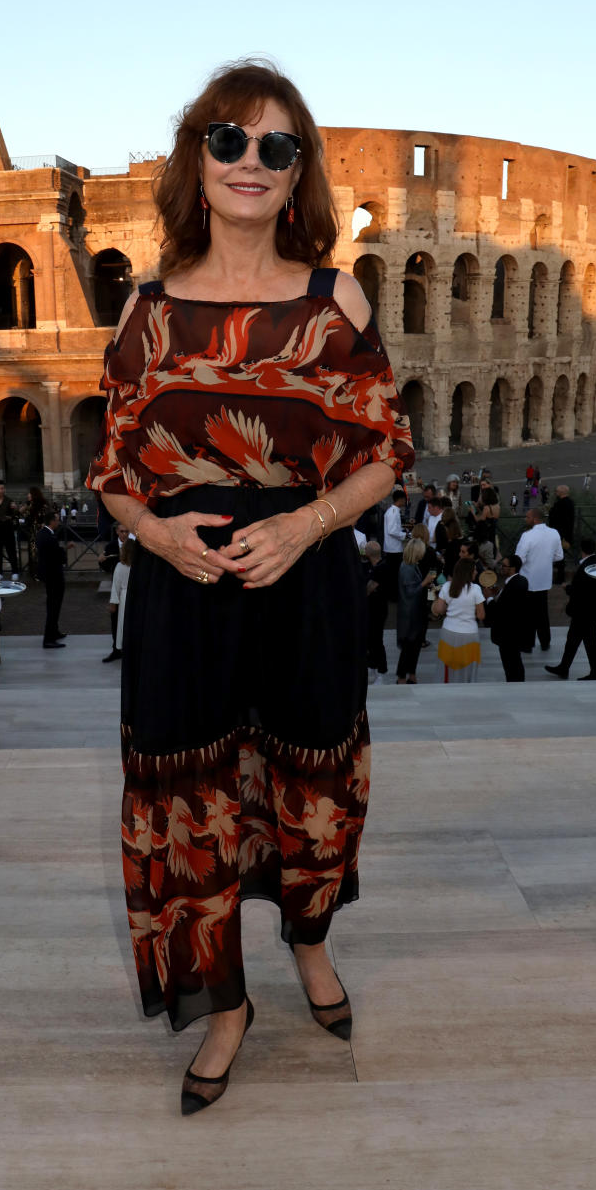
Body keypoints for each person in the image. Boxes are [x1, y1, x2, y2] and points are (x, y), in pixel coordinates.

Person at [85, 60, 414, 1113]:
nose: (251, 162)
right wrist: (157, 534)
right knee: (192, 807)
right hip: (183, 594)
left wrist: (309, 524)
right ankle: (227, 1007)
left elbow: (383, 453)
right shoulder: (145, 311)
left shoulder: (334, 300)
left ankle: (309, 944)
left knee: (311, 795)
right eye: (229, 139)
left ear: (299, 171)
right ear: (198, 157)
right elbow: (111, 476)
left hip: (303, 581)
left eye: (278, 146)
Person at [545, 537, 596, 680]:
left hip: (584, 612)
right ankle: (565, 667)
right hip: (593, 610)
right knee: (575, 640)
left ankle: (593, 672)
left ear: (582, 550)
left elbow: (580, 591)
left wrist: (567, 587)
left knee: (585, 642)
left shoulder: (585, 567)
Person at [515, 507, 563, 650]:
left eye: (528, 517)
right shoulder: (554, 533)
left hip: (528, 579)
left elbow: (519, 559)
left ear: (535, 519)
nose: (526, 519)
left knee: (527, 613)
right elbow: (559, 556)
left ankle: (527, 644)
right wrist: (545, 559)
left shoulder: (527, 535)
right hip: (544, 579)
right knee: (542, 613)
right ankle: (545, 642)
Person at [432, 557, 485, 682]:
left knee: (448, 667)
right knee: (467, 668)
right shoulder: (476, 589)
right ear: (468, 572)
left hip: (448, 631)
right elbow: (481, 615)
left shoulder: (447, 586)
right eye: (474, 570)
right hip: (469, 634)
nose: (476, 572)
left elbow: (439, 609)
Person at [483, 554, 531, 682]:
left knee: (511, 664)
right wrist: (498, 593)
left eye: (504, 565)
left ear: (513, 568)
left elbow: (502, 610)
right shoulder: (520, 581)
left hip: (508, 634)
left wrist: (489, 598)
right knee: (514, 662)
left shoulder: (514, 584)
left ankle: (515, 684)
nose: (501, 568)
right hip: (513, 633)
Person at [396, 538, 433, 683]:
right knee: (408, 647)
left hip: (416, 612)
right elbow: (410, 592)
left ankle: (411, 674)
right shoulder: (407, 568)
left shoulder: (411, 565)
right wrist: (424, 582)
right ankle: (402, 677)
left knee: (415, 646)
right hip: (409, 615)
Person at [36, 508, 67, 649]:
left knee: (55, 605)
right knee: (53, 606)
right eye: (57, 519)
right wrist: (64, 550)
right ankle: (48, 638)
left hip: (51, 575)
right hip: (53, 576)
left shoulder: (44, 534)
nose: (59, 521)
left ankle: (54, 631)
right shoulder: (48, 536)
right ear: (52, 521)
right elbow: (55, 555)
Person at [362, 540, 389, 682]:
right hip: (369, 609)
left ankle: (382, 672)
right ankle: (371, 666)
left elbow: (369, 588)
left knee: (377, 640)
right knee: (369, 639)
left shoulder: (381, 568)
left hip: (378, 610)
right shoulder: (369, 566)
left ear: (368, 553)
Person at [104, 538, 134, 661]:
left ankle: (121, 648)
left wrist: (113, 603)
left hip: (124, 597)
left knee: (122, 624)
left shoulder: (120, 566)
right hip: (135, 597)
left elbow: (115, 586)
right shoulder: (139, 567)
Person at [382, 487, 407, 600]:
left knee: (394, 573)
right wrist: (404, 535)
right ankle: (393, 595)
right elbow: (392, 530)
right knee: (394, 574)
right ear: (400, 499)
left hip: (394, 547)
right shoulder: (393, 512)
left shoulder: (393, 511)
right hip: (393, 548)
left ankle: (393, 594)